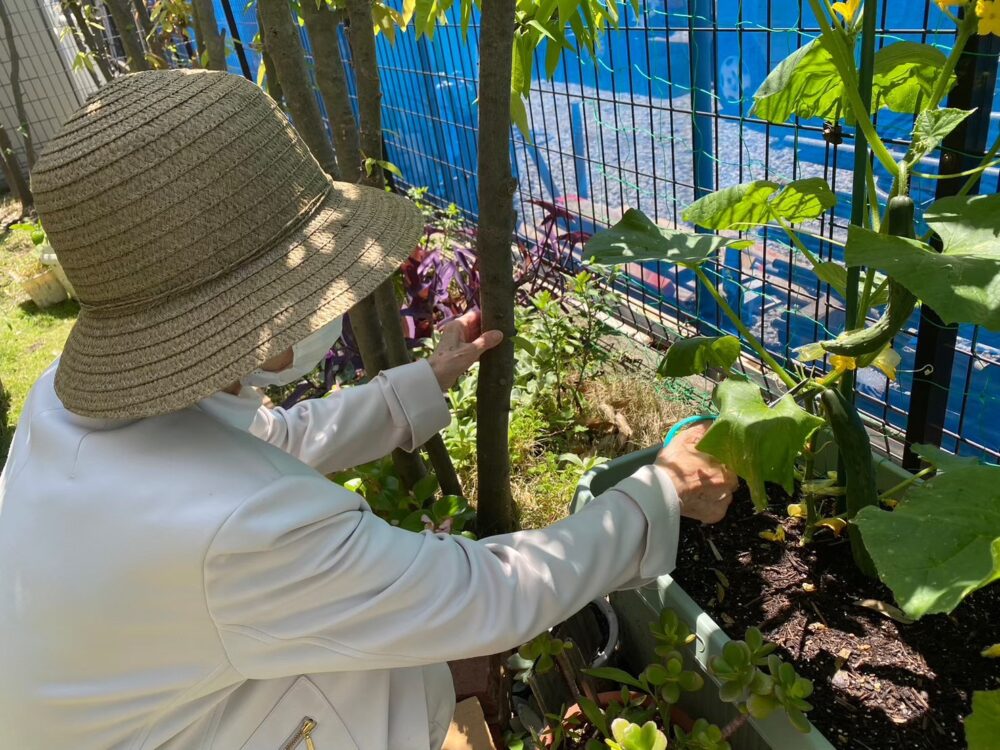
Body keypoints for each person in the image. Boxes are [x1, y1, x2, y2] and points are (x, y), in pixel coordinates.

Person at [0, 69, 736, 750]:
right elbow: (488, 595)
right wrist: (658, 493)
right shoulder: (240, 532)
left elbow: (270, 442)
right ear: (270, 325)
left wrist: (425, 379)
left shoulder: (70, 410)